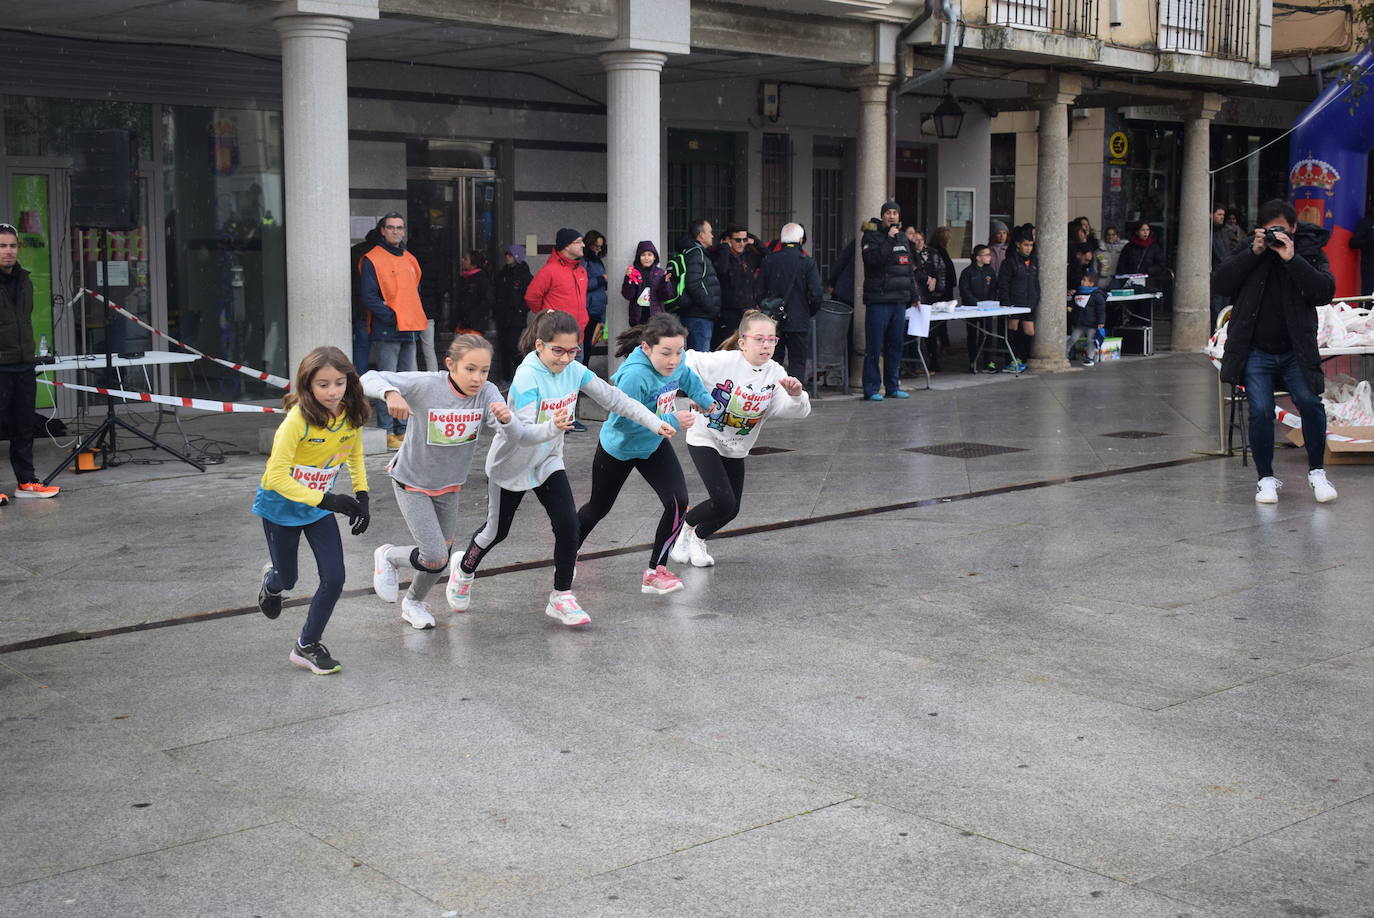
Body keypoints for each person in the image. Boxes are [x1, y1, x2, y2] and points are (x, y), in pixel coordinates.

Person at [453, 309, 675, 626]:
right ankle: (463, 570)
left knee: (568, 525)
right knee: (496, 532)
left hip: (547, 461)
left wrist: (654, 422)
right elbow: (523, 434)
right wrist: (555, 427)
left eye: (573, 350)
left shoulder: (574, 370)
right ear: (540, 346)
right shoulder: (527, 377)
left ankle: (561, 596)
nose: (566, 358)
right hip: (513, 464)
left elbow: (614, 398)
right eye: (558, 350)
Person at [362, 334, 531, 629]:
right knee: (435, 556)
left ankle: (413, 602)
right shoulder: (427, 384)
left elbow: (513, 436)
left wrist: (507, 420)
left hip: (450, 486)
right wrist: (390, 393)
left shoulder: (487, 393)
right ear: (451, 365)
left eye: (484, 370)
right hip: (412, 481)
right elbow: (369, 377)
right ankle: (388, 556)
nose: (478, 378)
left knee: (440, 557)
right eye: (470, 369)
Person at [576, 314, 715, 595]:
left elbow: (688, 376)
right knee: (598, 508)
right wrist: (673, 420)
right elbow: (623, 420)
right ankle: (566, 550)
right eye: (666, 353)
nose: (673, 360)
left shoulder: (678, 361)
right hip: (621, 447)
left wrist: (706, 401)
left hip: (654, 444)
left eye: (678, 351)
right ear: (646, 348)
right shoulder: (634, 376)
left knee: (678, 502)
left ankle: (655, 571)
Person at [253, 346, 371, 675]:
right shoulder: (297, 421)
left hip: (318, 508)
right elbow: (276, 477)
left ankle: (307, 645)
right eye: (323, 385)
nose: (332, 392)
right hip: (280, 508)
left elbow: (355, 454)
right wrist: (328, 500)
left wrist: (363, 495)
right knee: (288, 579)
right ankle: (272, 582)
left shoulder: (351, 413)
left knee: (335, 578)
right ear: (308, 386)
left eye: (339, 382)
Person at [1215, 199, 1338, 505]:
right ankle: (1266, 479)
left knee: (1310, 403)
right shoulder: (1250, 250)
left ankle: (1317, 472)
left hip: (1295, 349)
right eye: (1269, 231)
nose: (1275, 236)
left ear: (1294, 229)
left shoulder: (1308, 252)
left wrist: (1291, 258)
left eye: (1281, 230)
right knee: (1260, 411)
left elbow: (1324, 292)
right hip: (1256, 350)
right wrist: (1253, 252)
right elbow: (1220, 282)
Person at [671, 310, 811, 568]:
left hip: (737, 445)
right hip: (706, 436)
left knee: (731, 508)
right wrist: (695, 392)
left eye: (771, 339)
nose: (766, 345)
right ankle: (685, 528)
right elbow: (686, 360)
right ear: (743, 342)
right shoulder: (724, 362)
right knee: (722, 499)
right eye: (759, 339)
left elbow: (796, 412)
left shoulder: (775, 372)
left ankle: (697, 537)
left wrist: (796, 395)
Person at [0, 223, 59, 503]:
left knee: (24, 427)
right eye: (2, 246)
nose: (8, 251)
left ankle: (26, 482)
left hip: (24, 365)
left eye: (12, 245)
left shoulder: (24, 279)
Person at [360, 212, 425, 450]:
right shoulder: (372, 259)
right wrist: (392, 316)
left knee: (407, 383)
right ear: (383, 230)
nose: (396, 231)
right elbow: (368, 297)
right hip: (388, 329)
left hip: (410, 328)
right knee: (386, 383)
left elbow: (415, 291)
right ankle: (387, 430)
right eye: (391, 228)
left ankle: (403, 428)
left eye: (400, 227)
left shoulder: (410, 258)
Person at [525, 227, 589, 430]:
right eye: (579, 241)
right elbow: (531, 297)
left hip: (578, 335)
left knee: (572, 379)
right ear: (566, 245)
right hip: (556, 338)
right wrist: (545, 316)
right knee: (553, 378)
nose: (583, 245)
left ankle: (568, 416)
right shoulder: (549, 270)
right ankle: (551, 418)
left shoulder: (580, 270)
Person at [860, 201, 916, 401]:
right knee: (875, 346)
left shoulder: (902, 237)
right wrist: (888, 241)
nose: (892, 216)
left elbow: (908, 268)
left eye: (895, 213)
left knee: (895, 345)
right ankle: (872, 388)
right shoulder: (871, 236)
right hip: (879, 299)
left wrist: (914, 295)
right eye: (888, 213)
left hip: (899, 300)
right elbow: (873, 262)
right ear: (882, 216)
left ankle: (893, 386)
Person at [757, 222, 824, 379]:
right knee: (797, 362)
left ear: (782, 240)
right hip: (798, 319)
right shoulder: (807, 262)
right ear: (801, 239)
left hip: (774, 320)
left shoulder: (769, 260)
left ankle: (773, 395)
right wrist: (808, 310)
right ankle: (795, 397)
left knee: (773, 361)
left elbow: (759, 292)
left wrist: (769, 308)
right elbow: (817, 293)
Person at [672, 218, 722, 352]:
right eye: (710, 232)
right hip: (699, 316)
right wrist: (710, 307)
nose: (712, 235)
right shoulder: (696, 253)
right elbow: (694, 283)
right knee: (700, 359)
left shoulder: (693, 252)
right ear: (701, 235)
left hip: (696, 314)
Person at [997, 232, 1039, 373]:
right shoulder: (1009, 262)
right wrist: (1007, 303)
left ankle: (1022, 357)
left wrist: (1036, 298)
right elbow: (1003, 284)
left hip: (1029, 303)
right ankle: (1010, 360)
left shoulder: (1033, 262)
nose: (1028, 248)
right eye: (1025, 245)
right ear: (1018, 245)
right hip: (1014, 302)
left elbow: (1035, 282)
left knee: (1029, 331)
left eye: (1031, 245)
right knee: (1012, 329)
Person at [713, 223, 760, 347]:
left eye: (744, 240)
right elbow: (722, 269)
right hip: (728, 311)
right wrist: (724, 247)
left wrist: (756, 242)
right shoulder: (722, 253)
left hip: (747, 309)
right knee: (726, 345)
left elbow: (768, 258)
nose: (741, 243)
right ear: (729, 240)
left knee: (747, 345)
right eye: (738, 240)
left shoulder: (749, 255)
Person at [493, 245, 532, 383]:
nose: (507, 258)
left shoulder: (524, 274)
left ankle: (521, 376)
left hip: (516, 318)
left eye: (510, 255)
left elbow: (530, 296)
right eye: (506, 255)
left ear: (516, 257)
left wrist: (521, 309)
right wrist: (496, 311)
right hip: (502, 316)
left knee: (513, 347)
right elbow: (496, 293)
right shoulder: (502, 274)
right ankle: (506, 378)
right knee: (503, 348)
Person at [958, 243, 999, 374]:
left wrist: (989, 302)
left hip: (986, 309)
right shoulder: (967, 272)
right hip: (971, 309)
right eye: (986, 255)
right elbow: (965, 291)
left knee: (987, 335)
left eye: (989, 255)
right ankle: (972, 361)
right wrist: (976, 303)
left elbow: (993, 288)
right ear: (977, 257)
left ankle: (988, 361)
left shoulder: (990, 271)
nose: (989, 257)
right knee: (972, 335)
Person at [349, 225, 382, 373]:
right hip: (380, 307)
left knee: (362, 347)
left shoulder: (357, 250)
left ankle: (361, 384)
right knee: (385, 350)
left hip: (360, 305)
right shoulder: (382, 253)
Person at [621, 240, 671, 326]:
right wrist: (628, 279)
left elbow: (665, 296)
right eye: (643, 255)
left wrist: (665, 283)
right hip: (637, 318)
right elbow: (628, 295)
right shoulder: (634, 272)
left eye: (649, 255)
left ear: (654, 257)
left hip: (656, 319)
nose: (646, 258)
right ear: (638, 257)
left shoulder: (660, 273)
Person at [1067, 269, 1108, 366]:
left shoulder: (1097, 295)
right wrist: (1071, 307)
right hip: (1079, 322)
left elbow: (1101, 310)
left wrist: (1101, 322)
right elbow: (1075, 303)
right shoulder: (1078, 292)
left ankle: (1090, 357)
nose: (1082, 282)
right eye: (1082, 280)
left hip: (1092, 324)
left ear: (1091, 283)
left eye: (1085, 280)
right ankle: (1065, 353)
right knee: (1073, 338)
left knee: (1091, 341)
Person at [1115, 219, 1168, 290]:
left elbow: (1161, 265)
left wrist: (1148, 271)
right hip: (1130, 283)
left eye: (1147, 230)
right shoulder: (1129, 247)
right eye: (1143, 230)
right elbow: (1121, 266)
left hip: (1148, 283)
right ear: (1137, 232)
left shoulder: (1154, 247)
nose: (1145, 232)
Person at [1211, 203, 1239, 326]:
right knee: (1216, 307)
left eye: (1223, 215)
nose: (1222, 217)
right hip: (1215, 273)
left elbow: (1234, 248)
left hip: (1227, 273)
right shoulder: (1209, 232)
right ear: (1211, 215)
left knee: (1225, 308)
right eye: (1219, 214)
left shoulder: (1225, 232)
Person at [454, 250, 492, 336]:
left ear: (474, 263)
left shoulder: (481, 279)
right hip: (462, 324)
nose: (462, 261)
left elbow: (486, 301)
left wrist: (472, 316)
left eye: (466, 259)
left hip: (475, 325)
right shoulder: (463, 278)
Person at [583, 229, 608, 352]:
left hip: (598, 308)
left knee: (590, 344)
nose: (598, 249)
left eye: (600, 247)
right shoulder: (584, 260)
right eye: (596, 246)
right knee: (586, 344)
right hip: (589, 308)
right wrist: (602, 279)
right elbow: (583, 284)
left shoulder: (597, 261)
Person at [1347, 202, 1374, 297]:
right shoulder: (1367, 222)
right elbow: (1353, 243)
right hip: (1370, 266)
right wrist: (1370, 240)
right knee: (1368, 294)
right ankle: (1367, 311)